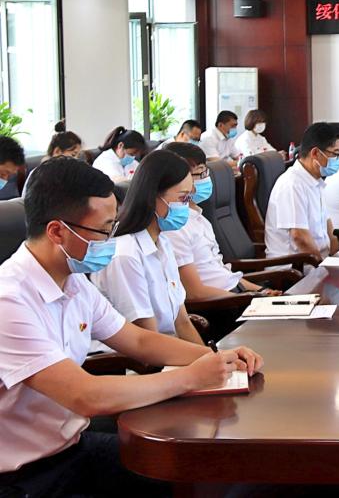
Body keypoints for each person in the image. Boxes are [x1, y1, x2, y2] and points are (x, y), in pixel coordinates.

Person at [0, 157, 262, 496]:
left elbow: (137, 340)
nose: (112, 239)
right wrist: (191, 377)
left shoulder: (72, 281)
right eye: (104, 230)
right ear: (57, 232)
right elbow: (84, 395)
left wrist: (216, 358)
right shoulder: (9, 299)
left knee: (200, 473)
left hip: (72, 447)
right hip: (24, 479)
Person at [92, 151, 202, 345]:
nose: (187, 206)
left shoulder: (163, 243)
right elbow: (148, 340)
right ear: (153, 197)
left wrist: (213, 357)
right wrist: (206, 360)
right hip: (138, 359)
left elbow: (182, 323)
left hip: (171, 350)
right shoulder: (125, 255)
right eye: (183, 198)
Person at [162, 142, 280, 298]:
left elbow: (223, 274)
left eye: (206, 172)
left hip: (236, 293)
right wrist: (252, 298)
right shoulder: (175, 227)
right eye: (200, 174)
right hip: (220, 303)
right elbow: (195, 293)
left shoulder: (199, 218)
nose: (206, 179)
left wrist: (261, 291)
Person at [264, 122, 339, 263]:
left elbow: (328, 227)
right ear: (315, 153)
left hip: (317, 261)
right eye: (335, 154)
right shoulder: (292, 184)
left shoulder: (315, 180)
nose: (338, 160)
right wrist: (324, 267)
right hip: (295, 268)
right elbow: (300, 237)